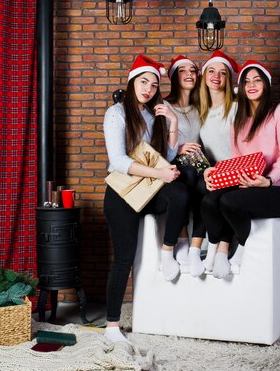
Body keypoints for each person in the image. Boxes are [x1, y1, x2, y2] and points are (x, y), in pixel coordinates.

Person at [102, 55, 189, 344]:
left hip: (148, 188)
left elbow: (169, 157)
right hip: (122, 194)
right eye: (144, 82)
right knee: (124, 258)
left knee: (180, 194)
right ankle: (112, 326)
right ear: (132, 82)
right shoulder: (116, 113)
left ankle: (168, 251)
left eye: (154, 84)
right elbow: (118, 161)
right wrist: (160, 174)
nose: (149, 89)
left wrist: (173, 121)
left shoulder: (155, 114)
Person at [200, 60, 280, 279]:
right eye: (246, 81)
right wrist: (215, 174)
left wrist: (270, 180)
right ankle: (217, 250)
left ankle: (241, 250)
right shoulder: (239, 120)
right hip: (251, 184)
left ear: (266, 84)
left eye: (257, 80)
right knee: (210, 200)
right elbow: (237, 159)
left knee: (230, 202)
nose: (251, 85)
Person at [187, 50, 240, 277]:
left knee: (216, 199)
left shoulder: (237, 107)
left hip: (236, 172)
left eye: (222, 73)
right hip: (215, 173)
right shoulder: (200, 111)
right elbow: (196, 148)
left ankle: (221, 248)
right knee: (200, 188)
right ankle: (197, 248)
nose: (216, 76)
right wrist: (205, 169)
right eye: (212, 71)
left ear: (228, 79)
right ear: (204, 76)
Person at [163, 55, 204, 267]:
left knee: (206, 183)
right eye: (182, 70)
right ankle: (181, 239)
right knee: (186, 174)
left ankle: (199, 246)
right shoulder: (163, 105)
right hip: (175, 165)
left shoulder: (200, 108)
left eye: (193, 70)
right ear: (173, 77)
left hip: (199, 164)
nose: (189, 74)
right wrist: (178, 149)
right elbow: (153, 143)